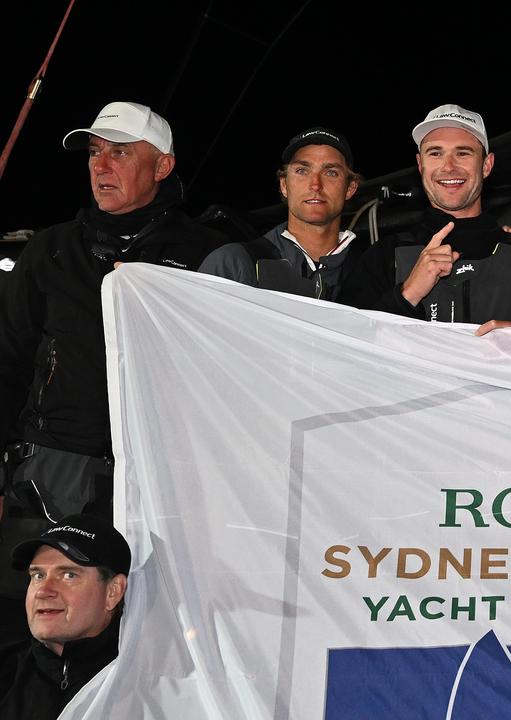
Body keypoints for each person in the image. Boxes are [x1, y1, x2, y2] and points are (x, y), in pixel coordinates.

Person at [0, 102, 222, 609]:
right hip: (54, 469)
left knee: (156, 613)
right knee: (39, 617)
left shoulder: (208, 253)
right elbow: (7, 360)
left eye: (120, 153)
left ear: (162, 166)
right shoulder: (51, 249)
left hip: (165, 472)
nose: (100, 165)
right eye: (96, 153)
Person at [339, 104, 511, 332]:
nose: (449, 167)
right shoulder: (383, 256)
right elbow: (346, 349)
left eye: (463, 153)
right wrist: (407, 294)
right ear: (420, 165)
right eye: (435, 153)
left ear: (486, 165)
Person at [200, 127, 362, 300]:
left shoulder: (372, 271)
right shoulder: (233, 264)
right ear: (284, 185)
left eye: (331, 172)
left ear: (350, 188)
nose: (315, 185)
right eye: (302, 171)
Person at [0, 514, 130, 719]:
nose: (43, 591)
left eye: (69, 575)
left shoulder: (149, 686)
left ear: (113, 591)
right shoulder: (7, 672)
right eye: (38, 576)